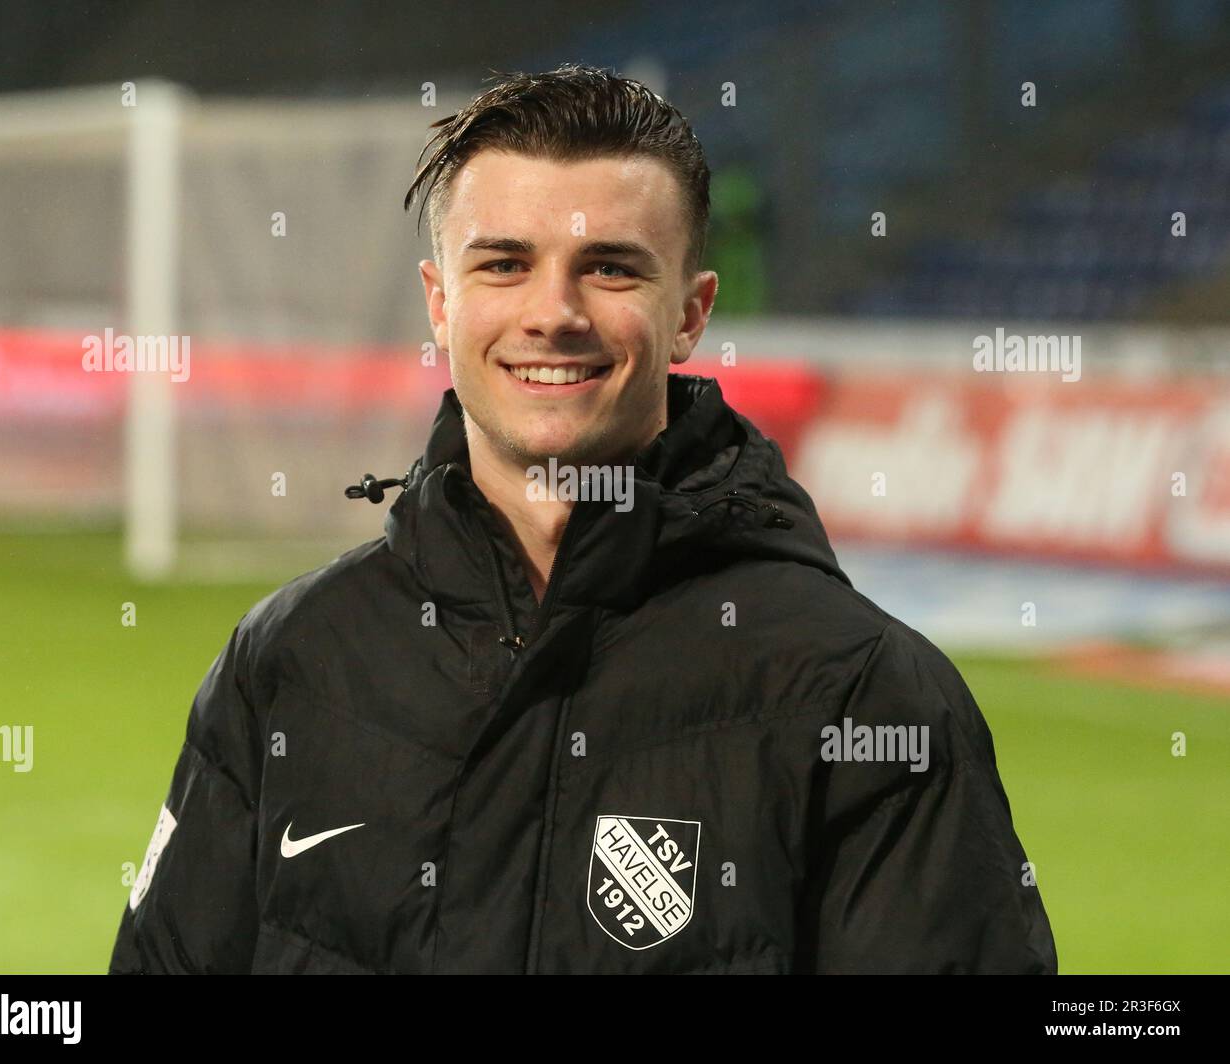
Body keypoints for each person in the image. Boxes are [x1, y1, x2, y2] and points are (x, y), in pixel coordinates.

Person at [109, 63, 1056, 974]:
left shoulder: (862, 696)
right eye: (505, 264)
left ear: (690, 313)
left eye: (608, 268)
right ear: (441, 305)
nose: (552, 313)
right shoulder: (291, 660)